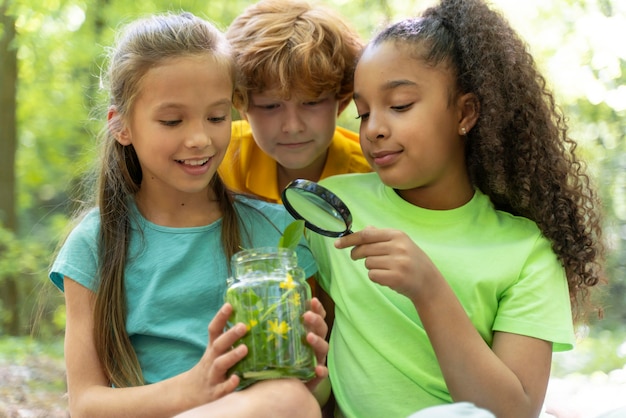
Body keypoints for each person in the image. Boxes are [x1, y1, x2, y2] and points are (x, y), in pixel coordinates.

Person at [305, 0, 606, 417]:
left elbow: (513, 412)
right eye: (364, 112)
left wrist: (429, 289)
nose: (373, 128)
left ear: (465, 113)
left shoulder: (526, 252)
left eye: (400, 105)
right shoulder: (334, 209)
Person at [49, 12, 329, 418]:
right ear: (122, 126)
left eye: (216, 117)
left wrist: (311, 372)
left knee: (290, 397)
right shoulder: (96, 242)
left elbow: (306, 398)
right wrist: (197, 387)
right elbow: (86, 404)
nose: (199, 138)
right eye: (172, 120)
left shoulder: (276, 233)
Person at [218, 0, 371, 204]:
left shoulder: (373, 176)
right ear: (241, 106)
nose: (293, 126)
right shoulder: (215, 161)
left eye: (312, 103)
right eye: (270, 106)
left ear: (341, 102)